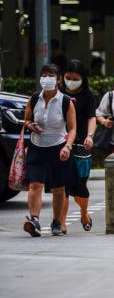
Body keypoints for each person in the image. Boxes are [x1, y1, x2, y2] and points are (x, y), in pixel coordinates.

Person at [22, 64, 77, 237]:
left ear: (58, 79)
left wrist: (67, 146)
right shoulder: (34, 98)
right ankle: (35, 220)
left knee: (58, 188)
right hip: (36, 147)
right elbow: (26, 120)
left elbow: (73, 128)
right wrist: (30, 125)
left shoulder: (66, 101)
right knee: (35, 184)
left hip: (58, 148)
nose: (47, 78)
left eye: (51, 75)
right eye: (44, 75)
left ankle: (56, 222)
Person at [59, 60, 97, 232]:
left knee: (80, 185)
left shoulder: (88, 96)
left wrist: (90, 136)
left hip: (81, 145)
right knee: (62, 186)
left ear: (83, 79)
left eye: (75, 78)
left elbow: (91, 118)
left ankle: (83, 212)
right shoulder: (57, 94)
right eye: (68, 77)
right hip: (60, 144)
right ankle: (61, 221)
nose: (71, 81)